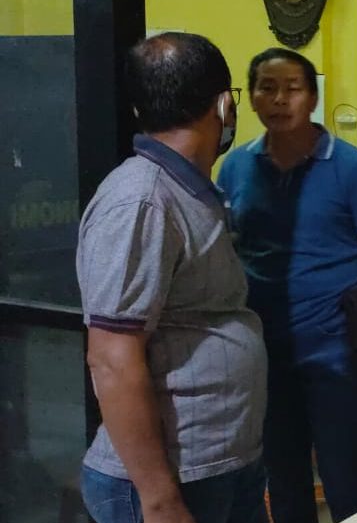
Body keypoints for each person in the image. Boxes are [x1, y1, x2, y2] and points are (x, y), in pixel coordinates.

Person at [76, 32, 267, 523]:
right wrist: (160, 500)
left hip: (220, 464)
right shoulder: (141, 202)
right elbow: (111, 359)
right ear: (225, 106)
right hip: (169, 483)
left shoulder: (190, 190)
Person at [217, 48, 357, 522]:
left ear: (312, 98)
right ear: (252, 97)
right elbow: (229, 251)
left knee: (346, 477)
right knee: (282, 474)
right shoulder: (235, 167)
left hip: (336, 348)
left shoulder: (353, 166)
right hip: (264, 348)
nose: (280, 99)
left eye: (292, 88)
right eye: (267, 88)